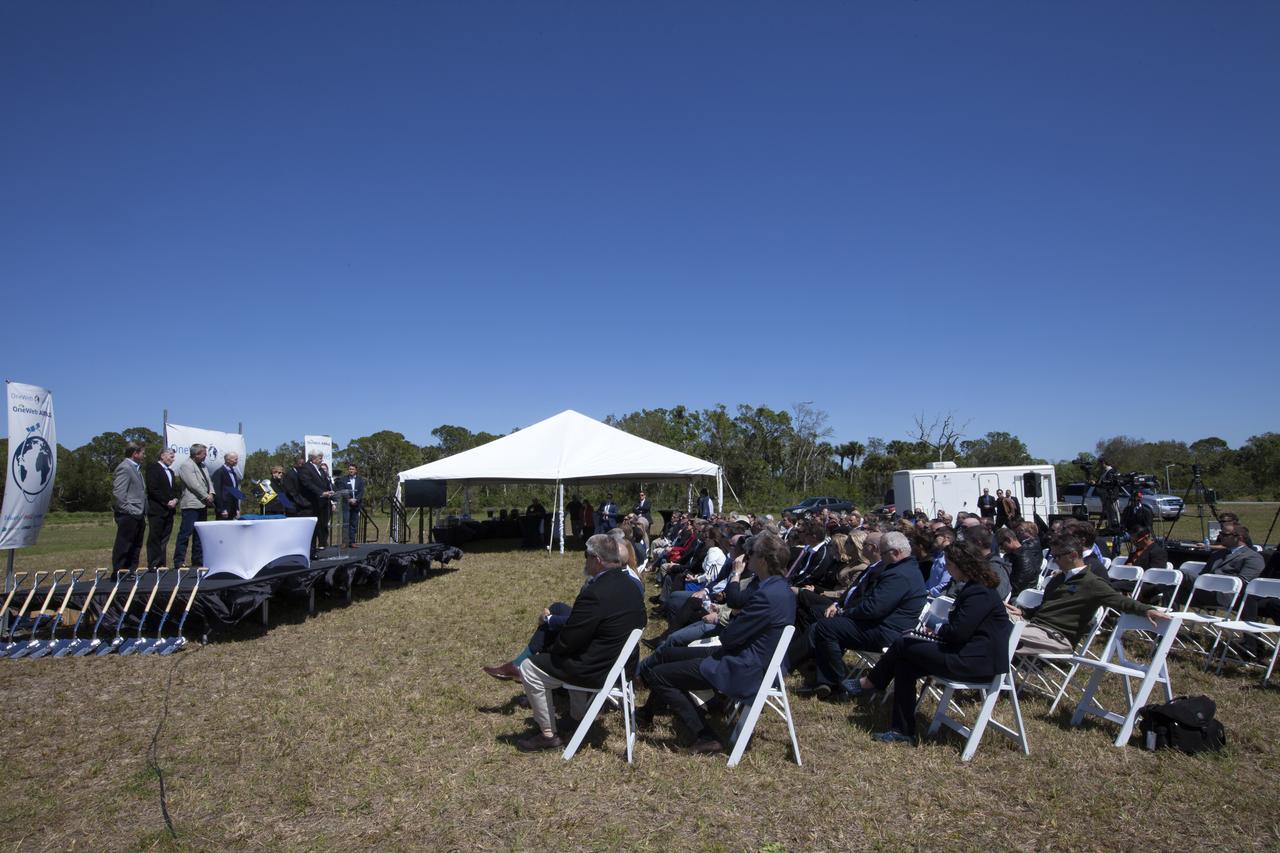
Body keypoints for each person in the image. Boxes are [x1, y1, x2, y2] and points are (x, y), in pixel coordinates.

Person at [638, 531, 796, 753]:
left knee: (660, 675)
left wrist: (733, 618)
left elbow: (729, 636)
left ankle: (704, 736)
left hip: (744, 666)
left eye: (751, 554)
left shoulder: (767, 594)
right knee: (670, 653)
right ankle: (647, 714)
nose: (747, 557)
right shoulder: (778, 587)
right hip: (747, 656)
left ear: (763, 560)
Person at [848, 539, 1013, 744]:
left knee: (903, 644)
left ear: (962, 565)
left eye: (950, 565)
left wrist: (935, 628)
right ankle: (902, 731)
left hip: (976, 662)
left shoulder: (979, 592)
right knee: (904, 664)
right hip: (966, 653)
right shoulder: (975, 587)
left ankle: (871, 683)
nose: (949, 570)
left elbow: (958, 632)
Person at [514, 534, 647, 752]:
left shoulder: (594, 593)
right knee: (573, 652)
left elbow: (568, 641)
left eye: (586, 556)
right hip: (623, 667)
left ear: (596, 559)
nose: (584, 561)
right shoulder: (632, 585)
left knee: (530, 667)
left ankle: (548, 734)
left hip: (599, 669)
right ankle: (577, 717)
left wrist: (549, 649)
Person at [797, 531, 928, 700]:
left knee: (826, 627)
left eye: (884, 553)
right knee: (827, 625)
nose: (881, 556)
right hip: (884, 626)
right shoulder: (904, 570)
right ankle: (826, 681)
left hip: (887, 632)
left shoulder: (899, 575)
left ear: (896, 553)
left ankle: (838, 684)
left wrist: (845, 613)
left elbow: (873, 609)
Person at [1007, 532, 1172, 655]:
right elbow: (1046, 607)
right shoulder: (1059, 578)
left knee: (998, 630)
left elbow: (1120, 601)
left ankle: (989, 678)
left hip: (1056, 637)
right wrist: (1024, 611)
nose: (1054, 560)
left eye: (1057, 556)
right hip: (1034, 626)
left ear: (1073, 555)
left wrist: (1147, 610)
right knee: (991, 614)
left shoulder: (1092, 583)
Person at [173, 443, 215, 568]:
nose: (205, 456)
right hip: (191, 504)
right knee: (186, 533)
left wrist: (212, 493)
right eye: (204, 454)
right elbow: (193, 484)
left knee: (199, 534)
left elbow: (209, 481)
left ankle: (198, 559)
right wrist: (205, 496)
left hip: (203, 505)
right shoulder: (186, 465)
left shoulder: (203, 466)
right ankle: (179, 560)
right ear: (196, 454)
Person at [111, 441, 147, 576]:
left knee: (136, 545)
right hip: (129, 513)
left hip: (138, 513)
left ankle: (131, 571)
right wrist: (129, 510)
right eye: (142, 453)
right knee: (124, 544)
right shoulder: (125, 468)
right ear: (135, 453)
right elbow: (119, 493)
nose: (144, 455)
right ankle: (119, 572)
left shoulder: (136, 468)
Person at [144, 448, 180, 569]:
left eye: (173, 457)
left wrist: (175, 499)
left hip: (169, 511)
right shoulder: (153, 469)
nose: (173, 459)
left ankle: (162, 563)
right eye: (171, 456)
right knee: (155, 537)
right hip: (157, 509)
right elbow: (153, 489)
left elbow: (174, 490)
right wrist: (166, 502)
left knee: (165, 537)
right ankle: (153, 564)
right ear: (162, 456)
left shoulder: (171, 472)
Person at [299, 452, 335, 555]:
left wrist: (329, 491)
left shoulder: (319, 469)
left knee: (319, 527)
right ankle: (310, 551)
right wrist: (321, 492)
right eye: (320, 458)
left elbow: (325, 482)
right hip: (310, 503)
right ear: (313, 458)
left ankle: (315, 549)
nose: (321, 460)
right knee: (311, 529)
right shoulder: (306, 468)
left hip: (321, 503)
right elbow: (307, 483)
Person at [337, 463, 364, 547]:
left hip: (356, 505)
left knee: (353, 524)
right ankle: (345, 542)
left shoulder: (360, 480)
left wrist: (356, 499)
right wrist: (349, 499)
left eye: (352, 469)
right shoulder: (343, 479)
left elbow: (361, 491)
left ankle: (352, 542)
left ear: (356, 470)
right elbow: (342, 490)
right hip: (346, 505)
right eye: (350, 469)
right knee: (346, 523)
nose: (351, 470)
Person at [212, 451, 243, 520]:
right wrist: (222, 509)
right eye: (235, 459)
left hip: (233, 509)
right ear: (228, 460)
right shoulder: (219, 472)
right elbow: (217, 492)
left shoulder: (233, 473)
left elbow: (235, 491)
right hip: (224, 510)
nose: (237, 461)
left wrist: (237, 509)